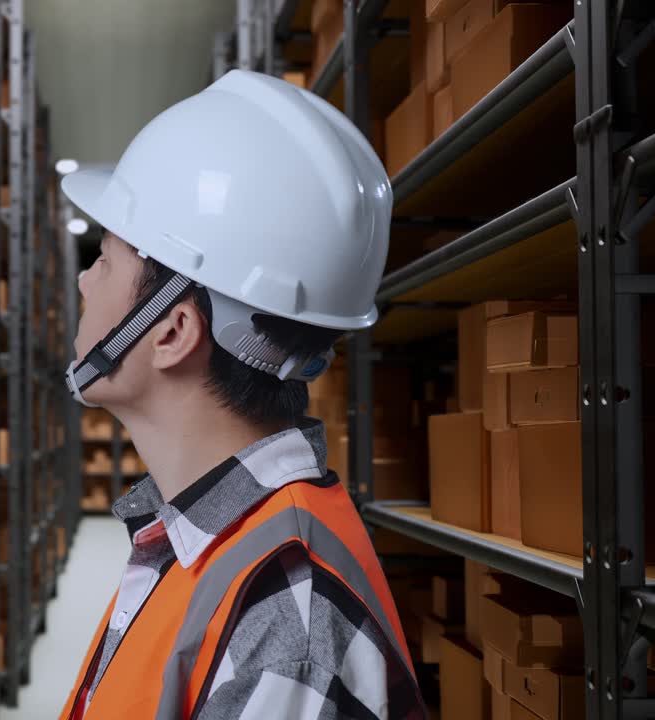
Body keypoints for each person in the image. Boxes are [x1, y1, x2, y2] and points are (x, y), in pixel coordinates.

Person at [59, 70, 426, 719]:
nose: (86, 282)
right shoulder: (202, 537)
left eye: (106, 259)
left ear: (172, 331)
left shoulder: (284, 623)